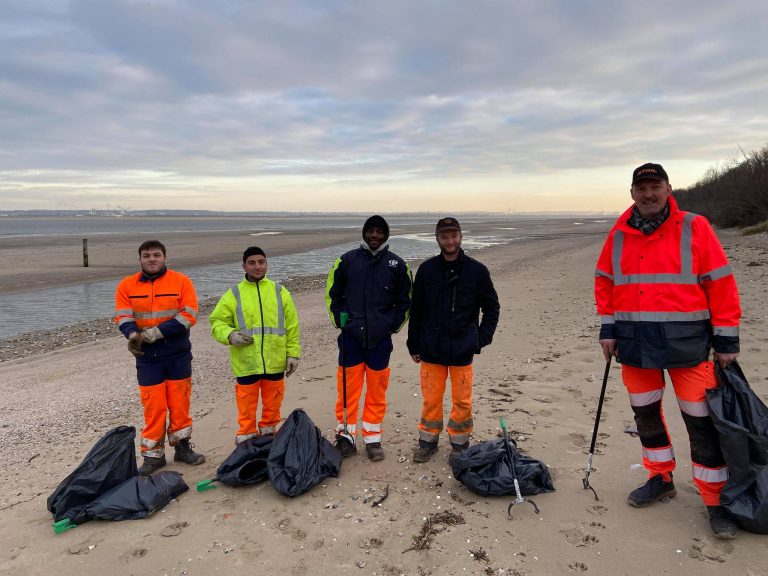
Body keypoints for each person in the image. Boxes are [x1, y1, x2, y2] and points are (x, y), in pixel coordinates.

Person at [595, 163, 741, 539]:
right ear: (632, 193)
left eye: (655, 186)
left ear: (668, 189)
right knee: (645, 416)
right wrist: (607, 329)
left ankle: (716, 499)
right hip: (635, 343)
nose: (648, 194)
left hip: (689, 343)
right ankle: (660, 478)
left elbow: (721, 283)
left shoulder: (695, 226)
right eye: (641, 188)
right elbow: (606, 281)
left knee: (702, 422)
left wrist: (726, 341)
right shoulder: (620, 232)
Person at [408, 217, 500, 465]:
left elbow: (492, 308)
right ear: (437, 239)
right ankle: (427, 441)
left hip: (462, 348)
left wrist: (481, 339)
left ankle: (460, 443)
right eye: (444, 236)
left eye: (454, 235)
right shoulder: (426, 270)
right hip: (430, 348)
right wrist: (413, 344)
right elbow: (415, 310)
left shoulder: (477, 270)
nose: (450, 241)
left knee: (462, 400)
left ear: (460, 237)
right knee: (431, 398)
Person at [114, 240, 205, 475]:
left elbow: (189, 314)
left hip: (177, 354)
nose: (152, 259)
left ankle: (183, 447)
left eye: (156, 255)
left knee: (179, 404)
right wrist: (133, 334)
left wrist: (155, 333)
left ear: (164, 257)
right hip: (147, 357)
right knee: (153, 407)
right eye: (147, 255)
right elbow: (123, 316)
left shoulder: (181, 281)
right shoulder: (127, 285)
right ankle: (153, 455)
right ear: (140, 259)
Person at [326, 215, 412, 461]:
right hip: (351, 339)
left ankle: (373, 439)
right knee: (347, 391)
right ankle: (346, 437)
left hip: (380, 341)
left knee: (376, 391)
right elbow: (334, 295)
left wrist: (389, 326)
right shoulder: (347, 261)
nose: (374, 236)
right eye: (370, 231)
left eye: (379, 231)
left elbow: (405, 302)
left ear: (385, 235)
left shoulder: (397, 264)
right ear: (364, 233)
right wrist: (343, 322)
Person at [209, 246, 301, 443]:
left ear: (266, 264)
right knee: (246, 407)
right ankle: (246, 438)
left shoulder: (279, 291)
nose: (257, 267)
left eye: (261, 262)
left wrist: (293, 354)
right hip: (246, 363)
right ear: (244, 266)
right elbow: (217, 322)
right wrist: (230, 335)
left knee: (272, 405)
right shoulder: (234, 293)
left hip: (274, 360)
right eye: (252, 263)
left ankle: (268, 437)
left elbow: (292, 326)